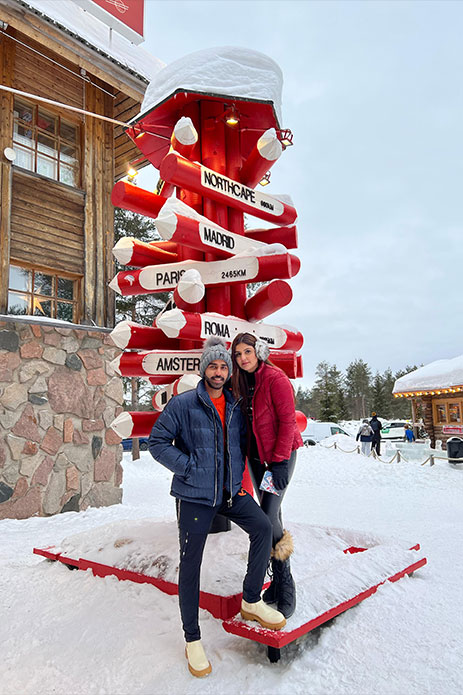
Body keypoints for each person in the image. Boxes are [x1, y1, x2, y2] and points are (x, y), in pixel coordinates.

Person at [148, 336, 286, 679]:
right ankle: (192, 638)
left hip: (231, 493)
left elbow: (245, 440)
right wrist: (189, 467)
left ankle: (251, 599)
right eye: (214, 365)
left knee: (263, 527)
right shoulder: (183, 404)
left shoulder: (237, 404)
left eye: (224, 365)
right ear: (203, 369)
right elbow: (156, 442)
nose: (220, 371)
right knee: (191, 565)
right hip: (195, 496)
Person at [230, 332, 303, 619]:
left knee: (267, 516)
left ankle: (285, 580)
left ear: (258, 351)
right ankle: (275, 583)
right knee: (274, 515)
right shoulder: (241, 383)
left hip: (279, 457)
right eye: (238, 354)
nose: (243, 358)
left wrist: (280, 462)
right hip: (256, 458)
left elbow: (287, 422)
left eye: (247, 352)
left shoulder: (275, 379)